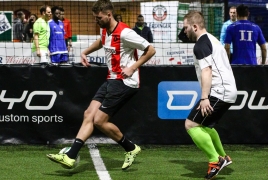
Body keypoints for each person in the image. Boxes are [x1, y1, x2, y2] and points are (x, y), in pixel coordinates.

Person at [46, 0, 156, 170]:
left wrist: (133, 67)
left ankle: (131, 148)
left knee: (99, 120)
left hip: (125, 81)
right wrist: (85, 52)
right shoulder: (105, 29)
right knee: (88, 113)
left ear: (108, 15)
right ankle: (70, 156)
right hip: (112, 79)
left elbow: (151, 50)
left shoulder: (126, 33)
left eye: (98, 18)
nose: (96, 20)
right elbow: (101, 41)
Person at [183, 11, 237, 180]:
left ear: (194, 26)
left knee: (191, 124)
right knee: (206, 126)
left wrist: (204, 97)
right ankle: (223, 157)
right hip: (227, 90)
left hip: (218, 91)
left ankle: (215, 161)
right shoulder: (212, 39)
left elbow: (207, 70)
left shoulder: (201, 44)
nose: (184, 31)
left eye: (185, 28)